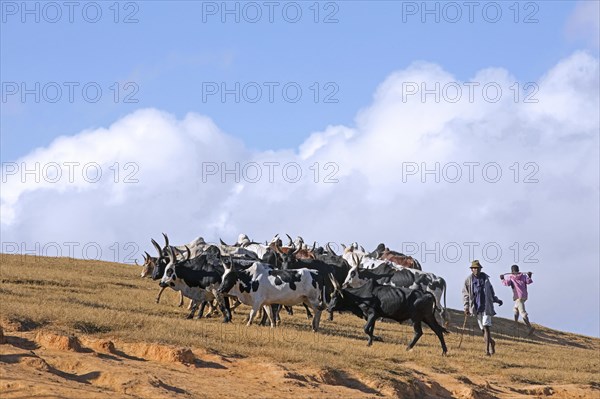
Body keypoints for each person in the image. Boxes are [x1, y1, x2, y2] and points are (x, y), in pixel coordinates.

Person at [462, 260, 503, 356]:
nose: (476, 270)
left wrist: (496, 300)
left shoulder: (486, 279)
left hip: (486, 307)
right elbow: (465, 294)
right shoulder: (468, 280)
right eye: (474, 268)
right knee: (483, 330)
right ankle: (491, 342)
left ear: (480, 269)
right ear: (472, 269)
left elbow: (491, 292)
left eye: (478, 268)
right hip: (476, 307)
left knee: (486, 327)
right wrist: (466, 307)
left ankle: (487, 350)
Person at [500, 265, 534, 335]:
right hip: (524, 296)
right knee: (515, 309)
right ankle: (515, 324)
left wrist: (502, 279)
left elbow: (506, 283)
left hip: (518, 297)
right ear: (518, 270)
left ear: (512, 271)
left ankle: (529, 327)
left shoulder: (511, 277)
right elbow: (529, 281)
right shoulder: (524, 276)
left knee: (522, 312)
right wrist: (529, 276)